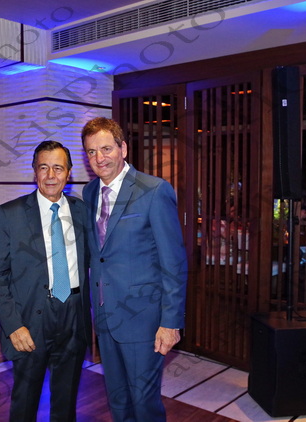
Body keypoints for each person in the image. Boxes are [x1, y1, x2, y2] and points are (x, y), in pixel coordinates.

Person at [81, 117, 188, 421]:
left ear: (123, 148)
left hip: (143, 320)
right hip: (105, 317)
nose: (99, 158)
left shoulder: (153, 190)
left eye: (106, 149)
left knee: (144, 404)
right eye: (91, 152)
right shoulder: (90, 192)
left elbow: (174, 262)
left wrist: (170, 322)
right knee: (117, 399)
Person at [0, 140, 91, 422]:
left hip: (74, 316)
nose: (51, 175)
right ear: (35, 172)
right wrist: (13, 326)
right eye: (44, 168)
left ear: (68, 173)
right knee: (25, 400)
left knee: (66, 400)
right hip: (30, 320)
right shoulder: (10, 214)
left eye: (58, 168)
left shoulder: (82, 212)